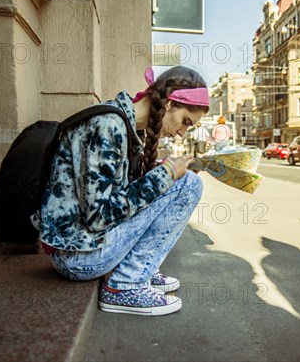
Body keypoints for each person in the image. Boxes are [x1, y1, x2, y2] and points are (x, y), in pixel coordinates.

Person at [31, 66, 210, 316]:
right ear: (170, 103)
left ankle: (139, 269)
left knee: (182, 181)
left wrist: (159, 176)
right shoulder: (107, 125)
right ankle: (125, 284)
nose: (182, 132)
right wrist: (165, 175)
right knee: (188, 185)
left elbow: (116, 197)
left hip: (85, 246)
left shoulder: (125, 126)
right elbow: (98, 217)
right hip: (76, 256)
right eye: (186, 122)